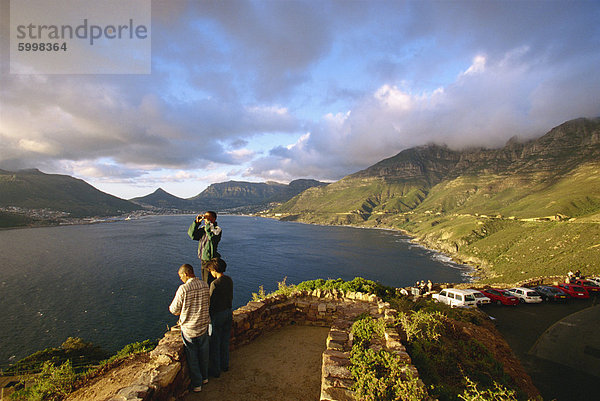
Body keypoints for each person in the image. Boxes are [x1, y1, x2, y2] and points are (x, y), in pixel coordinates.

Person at [169, 264, 210, 392]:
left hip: (189, 329)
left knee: (192, 357)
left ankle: (197, 384)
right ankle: (205, 377)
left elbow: (174, 309)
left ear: (186, 274)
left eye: (181, 276)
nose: (181, 279)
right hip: (203, 326)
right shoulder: (205, 285)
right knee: (204, 354)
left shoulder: (183, 289)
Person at [206, 257, 233, 378]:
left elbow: (211, 302)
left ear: (214, 270)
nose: (210, 272)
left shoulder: (214, 284)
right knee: (225, 340)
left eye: (210, 270)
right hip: (228, 312)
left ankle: (216, 371)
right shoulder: (229, 280)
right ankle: (225, 365)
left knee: (215, 343)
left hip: (217, 315)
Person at [188, 211, 222, 284]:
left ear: (213, 219)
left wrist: (208, 224)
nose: (205, 219)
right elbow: (192, 235)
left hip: (211, 260)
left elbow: (212, 238)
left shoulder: (217, 229)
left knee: (208, 282)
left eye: (208, 217)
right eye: (205, 217)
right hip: (204, 260)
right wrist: (196, 223)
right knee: (205, 281)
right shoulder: (204, 229)